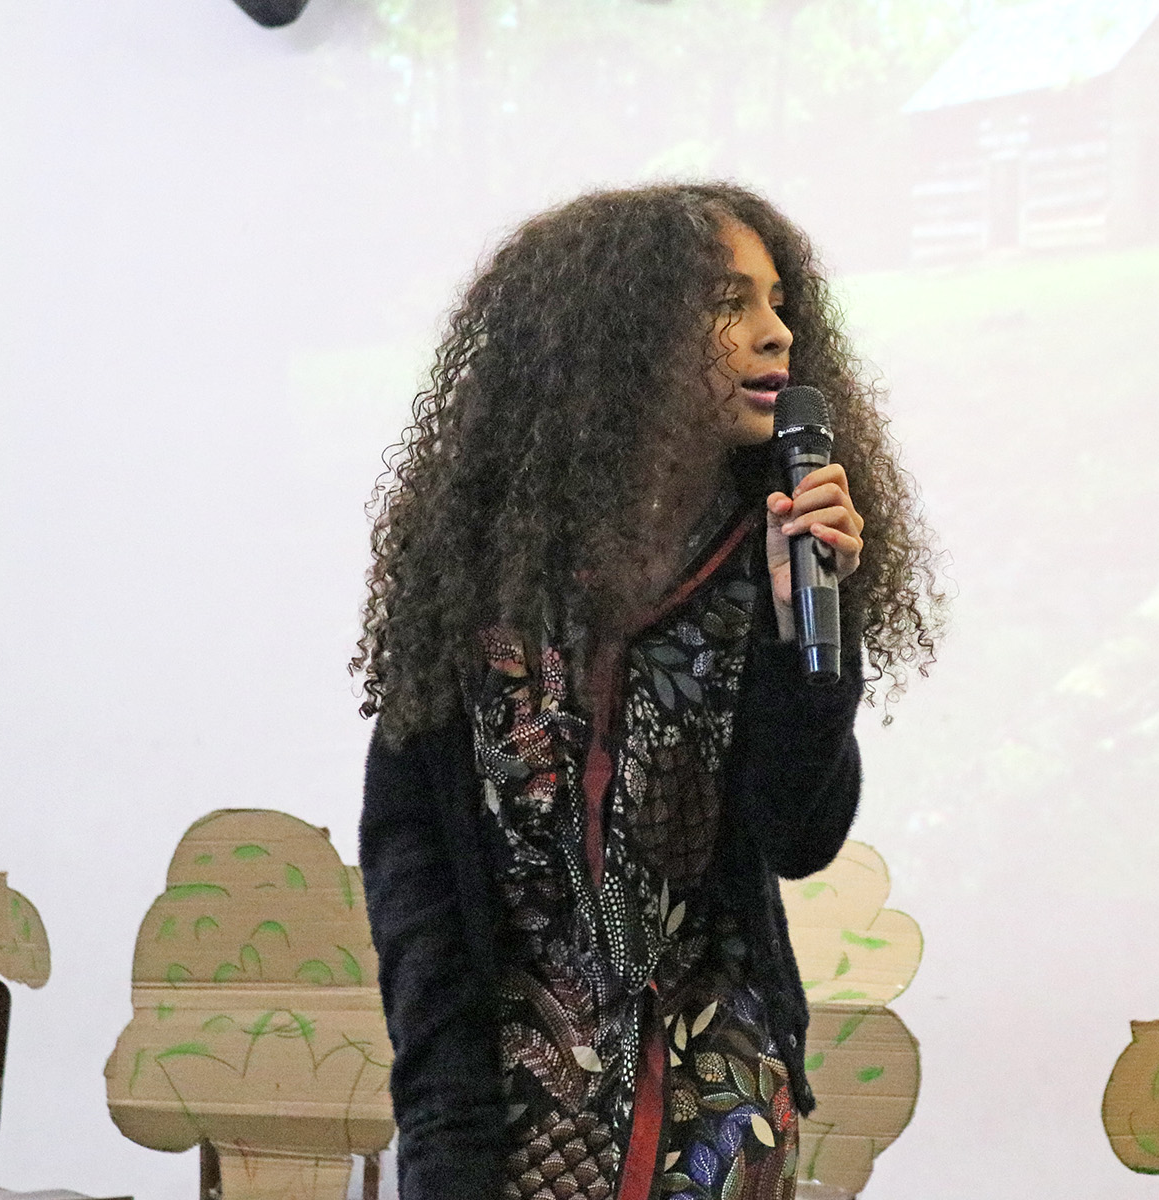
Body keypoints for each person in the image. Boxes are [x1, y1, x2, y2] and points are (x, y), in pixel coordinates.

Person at [354, 183, 940, 1200]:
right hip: (507, 1125)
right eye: (729, 304)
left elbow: (799, 837)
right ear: (618, 340)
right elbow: (418, 884)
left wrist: (808, 631)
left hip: (717, 1117)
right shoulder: (477, 579)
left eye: (778, 302)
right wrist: (442, 1129)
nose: (776, 333)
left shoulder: (773, 557)